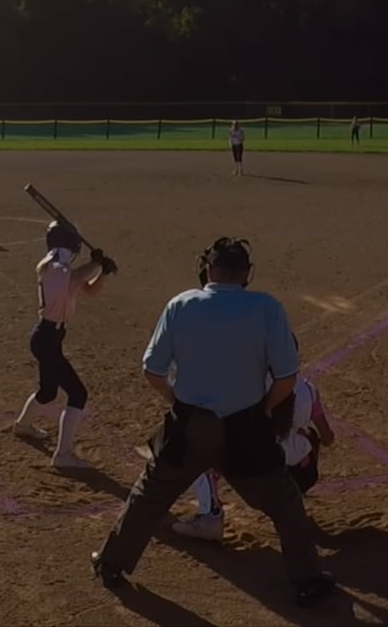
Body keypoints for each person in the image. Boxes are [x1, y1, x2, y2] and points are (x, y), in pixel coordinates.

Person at [89, 237, 334, 608]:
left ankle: (111, 563)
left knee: (149, 494)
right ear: (247, 274)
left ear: (207, 270)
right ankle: (308, 581)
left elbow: (153, 370)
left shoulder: (181, 304)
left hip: (190, 424)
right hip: (246, 427)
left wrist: (177, 402)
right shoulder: (266, 307)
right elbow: (286, 377)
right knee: (285, 503)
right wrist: (265, 410)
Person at [173, 343, 336, 539]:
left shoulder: (245, 385)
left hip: (252, 472)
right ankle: (294, 496)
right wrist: (303, 435)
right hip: (285, 469)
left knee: (196, 446)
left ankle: (210, 517)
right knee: (307, 438)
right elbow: (328, 438)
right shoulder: (309, 391)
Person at [12, 220, 114, 468]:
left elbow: (90, 290)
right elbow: (77, 276)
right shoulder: (55, 269)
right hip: (46, 338)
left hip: (50, 338)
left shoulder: (61, 269)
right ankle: (63, 454)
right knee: (78, 393)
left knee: (48, 391)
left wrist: (103, 272)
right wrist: (95, 262)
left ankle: (22, 425)